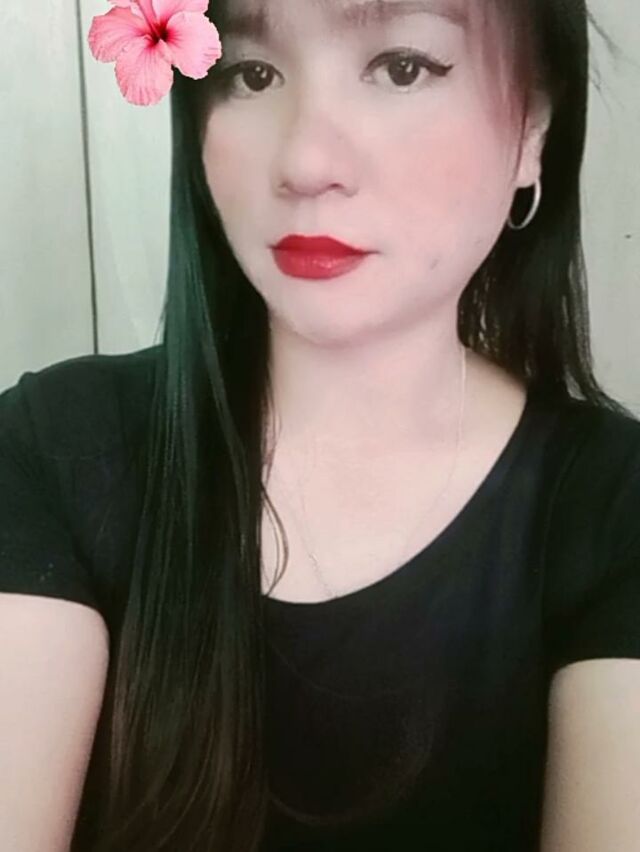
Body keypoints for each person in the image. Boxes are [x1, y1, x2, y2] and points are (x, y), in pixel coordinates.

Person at [1, 0, 639, 850]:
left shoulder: (615, 512)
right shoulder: (52, 449)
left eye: (402, 68)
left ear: (532, 130)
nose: (305, 161)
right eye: (251, 73)